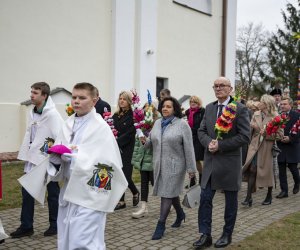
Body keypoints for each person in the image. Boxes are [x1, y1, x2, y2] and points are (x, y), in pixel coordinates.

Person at [47, 82, 127, 249]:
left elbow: (109, 163)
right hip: (69, 191)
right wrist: (55, 160)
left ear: (94, 100)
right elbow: (59, 166)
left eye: (82, 98)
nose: (76, 101)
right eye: (74, 97)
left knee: (83, 242)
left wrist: (74, 156)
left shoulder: (101, 128)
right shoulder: (67, 124)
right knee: (67, 239)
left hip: (91, 194)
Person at [193, 77, 250, 249]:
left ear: (230, 89)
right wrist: (209, 142)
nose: (218, 89)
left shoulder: (239, 109)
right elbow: (201, 130)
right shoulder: (210, 108)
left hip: (229, 162)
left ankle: (227, 234)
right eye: (215, 86)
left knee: (230, 201)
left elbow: (245, 136)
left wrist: (221, 145)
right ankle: (205, 234)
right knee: (205, 198)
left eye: (222, 86)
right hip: (210, 161)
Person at [10, 82, 62, 238]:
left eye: (35, 93)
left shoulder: (52, 115)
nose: (31, 95)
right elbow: (31, 134)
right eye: (31, 92)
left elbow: (60, 135)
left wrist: (52, 155)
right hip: (33, 159)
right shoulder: (32, 112)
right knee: (27, 191)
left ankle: (55, 224)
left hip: (48, 159)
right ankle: (26, 226)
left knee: (52, 192)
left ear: (44, 96)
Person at [142, 96, 197, 240]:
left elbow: (189, 148)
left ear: (175, 109)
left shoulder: (182, 125)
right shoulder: (157, 123)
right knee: (170, 192)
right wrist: (143, 140)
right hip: (159, 165)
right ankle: (180, 214)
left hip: (175, 166)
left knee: (166, 194)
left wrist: (192, 169)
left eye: (169, 106)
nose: (165, 109)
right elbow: (150, 143)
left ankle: (161, 225)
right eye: (163, 106)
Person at [242, 94, 283, 207]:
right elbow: (251, 131)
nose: (258, 103)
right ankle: (248, 197)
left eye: (261, 101)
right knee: (252, 169)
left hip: (267, 148)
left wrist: (264, 132)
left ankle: (269, 195)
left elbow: (280, 135)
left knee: (267, 172)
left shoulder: (276, 117)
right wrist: (251, 128)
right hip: (254, 146)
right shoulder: (256, 114)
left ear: (266, 104)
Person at [131, 103, 160, 218]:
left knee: (156, 184)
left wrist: (149, 140)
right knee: (143, 184)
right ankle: (143, 207)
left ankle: (170, 203)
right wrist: (137, 158)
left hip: (153, 159)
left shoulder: (158, 124)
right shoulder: (141, 125)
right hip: (144, 159)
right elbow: (138, 143)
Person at [113, 91, 139, 210]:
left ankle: (135, 192)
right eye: (120, 98)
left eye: (124, 99)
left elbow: (130, 133)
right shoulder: (116, 114)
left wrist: (117, 142)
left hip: (128, 147)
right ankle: (121, 201)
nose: (121, 101)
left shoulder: (133, 115)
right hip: (116, 147)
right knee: (118, 174)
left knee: (126, 175)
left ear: (129, 101)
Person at [276, 97, 300, 198]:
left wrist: (290, 138)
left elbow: (298, 130)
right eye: (281, 104)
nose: (282, 106)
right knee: (281, 169)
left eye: (285, 104)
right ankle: (284, 191)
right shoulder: (278, 116)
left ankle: (297, 182)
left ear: (290, 105)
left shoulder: (297, 115)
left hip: (292, 145)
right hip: (281, 145)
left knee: (293, 167)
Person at [185, 95, 205, 187]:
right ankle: (192, 178)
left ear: (198, 103)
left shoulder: (202, 111)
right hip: (190, 138)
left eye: (195, 102)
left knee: (198, 159)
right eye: (191, 102)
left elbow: (202, 126)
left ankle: (201, 177)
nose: (192, 103)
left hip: (199, 138)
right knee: (191, 159)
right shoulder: (187, 112)